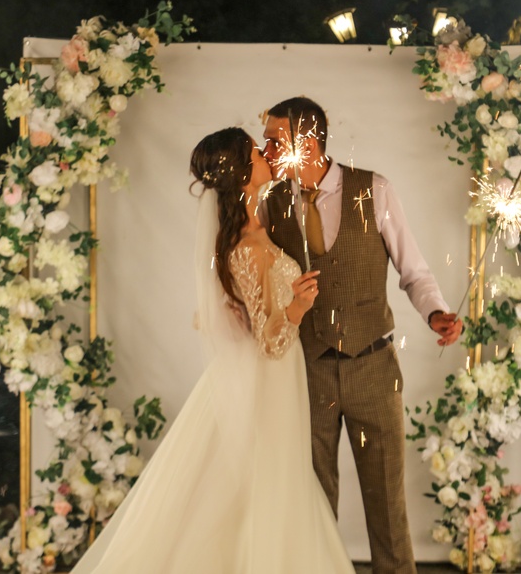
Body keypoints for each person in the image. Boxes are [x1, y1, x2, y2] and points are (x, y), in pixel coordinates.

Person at [71, 128, 355, 574]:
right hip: (269, 382)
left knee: (247, 487)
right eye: (256, 151)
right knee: (263, 486)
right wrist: (297, 308)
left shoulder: (251, 231)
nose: (265, 154)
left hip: (265, 379)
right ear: (243, 174)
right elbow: (271, 341)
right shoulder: (248, 247)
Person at [260, 97, 463, 574]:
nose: (264, 147)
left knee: (388, 507)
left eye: (274, 138)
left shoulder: (374, 189)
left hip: (374, 367)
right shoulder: (272, 202)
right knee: (312, 504)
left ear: (306, 143)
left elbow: (413, 270)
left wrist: (435, 313)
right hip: (304, 372)